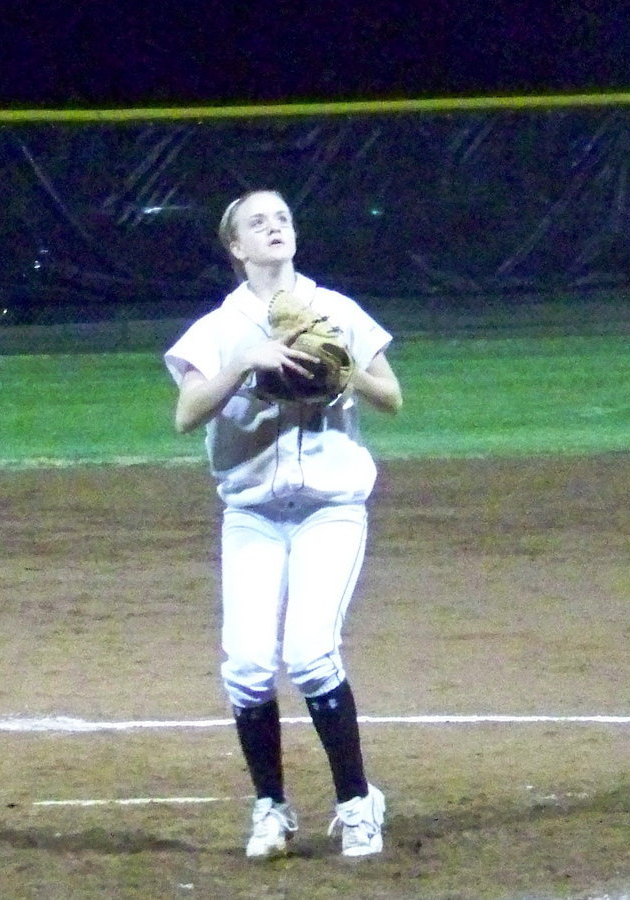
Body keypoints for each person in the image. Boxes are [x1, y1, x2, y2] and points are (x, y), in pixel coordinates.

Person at [163, 189, 403, 859]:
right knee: (245, 665)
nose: (275, 227)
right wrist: (246, 362)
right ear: (236, 248)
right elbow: (186, 415)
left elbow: (393, 398)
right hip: (252, 518)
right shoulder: (218, 329)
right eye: (258, 223)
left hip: (330, 511)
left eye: (284, 218)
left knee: (308, 653)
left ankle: (358, 803)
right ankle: (271, 808)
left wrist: (341, 367)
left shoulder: (336, 311)